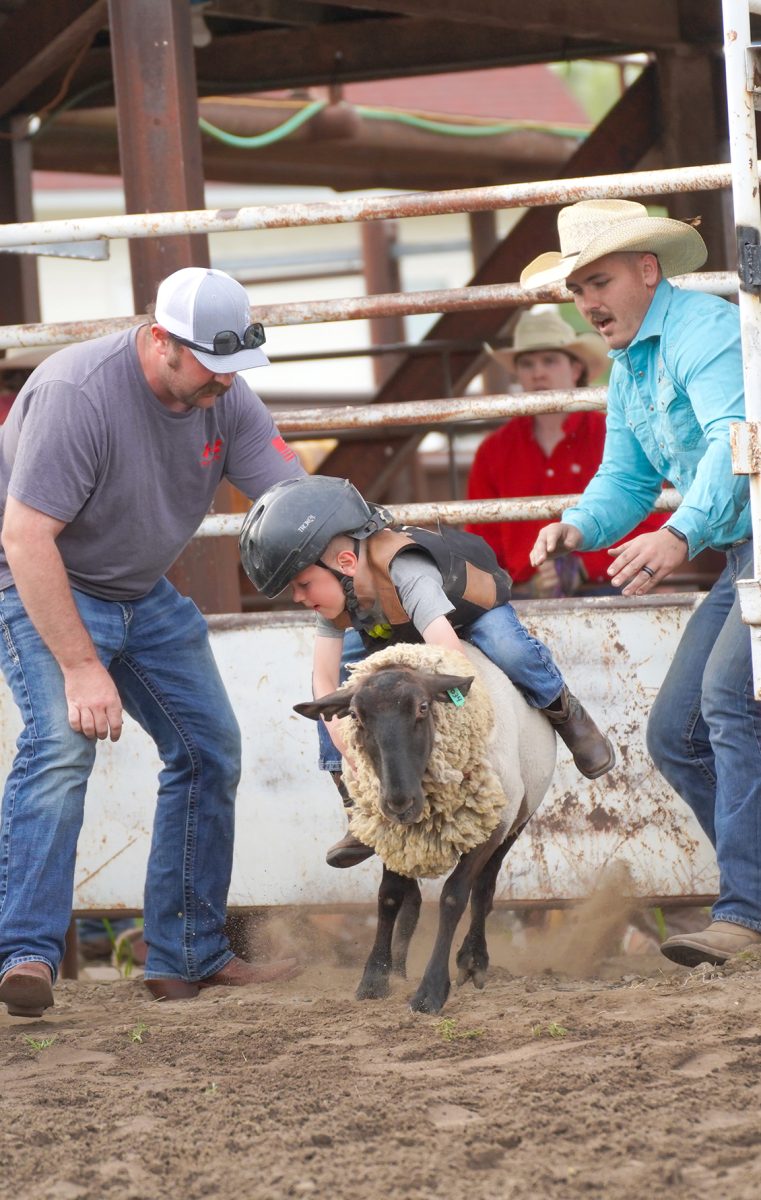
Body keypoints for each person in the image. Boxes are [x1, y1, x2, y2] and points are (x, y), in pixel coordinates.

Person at [0, 266, 304, 1018]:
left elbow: (291, 494)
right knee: (62, 747)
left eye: (236, 367)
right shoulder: (80, 394)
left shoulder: (220, 393)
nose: (227, 383)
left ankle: (187, 957)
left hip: (140, 590)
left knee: (210, 749)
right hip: (42, 579)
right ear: (161, 341)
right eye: (212, 365)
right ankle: (27, 954)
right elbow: (25, 535)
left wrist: (367, 547)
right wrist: (80, 665)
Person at [523, 198, 761, 967]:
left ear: (646, 270)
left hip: (742, 538)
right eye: (576, 290)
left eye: (598, 282)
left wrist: (678, 533)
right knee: (675, 733)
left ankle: (746, 913)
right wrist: (577, 527)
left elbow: (736, 442)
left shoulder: (705, 332)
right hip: (742, 549)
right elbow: (623, 478)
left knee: (724, 703)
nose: (587, 304)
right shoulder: (633, 364)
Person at [239, 474, 615, 868]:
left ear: (345, 564)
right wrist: (347, 745)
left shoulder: (407, 569)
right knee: (334, 698)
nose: (298, 597)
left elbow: (448, 655)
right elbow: (323, 678)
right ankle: (357, 807)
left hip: (465, 614)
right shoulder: (334, 598)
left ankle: (569, 716)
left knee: (511, 649)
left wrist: (456, 708)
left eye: (302, 584)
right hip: (396, 625)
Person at [466, 307, 663, 596]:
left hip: (611, 584)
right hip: (521, 592)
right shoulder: (493, 450)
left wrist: (587, 564)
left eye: (549, 360)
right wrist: (519, 583)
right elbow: (481, 539)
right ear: (518, 373)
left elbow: (652, 511)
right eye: (527, 363)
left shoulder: (613, 430)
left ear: (576, 368)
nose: (538, 373)